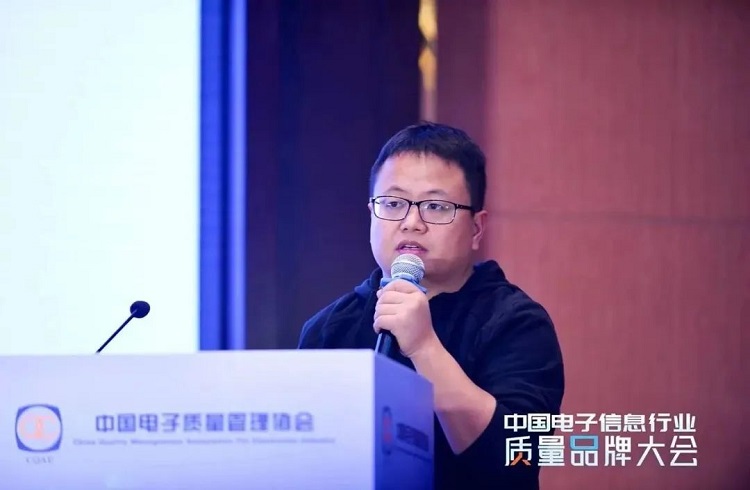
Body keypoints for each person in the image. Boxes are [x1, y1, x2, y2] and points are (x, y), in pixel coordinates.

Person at [297, 122, 565, 489]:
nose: (411, 223)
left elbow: (514, 459)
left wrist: (424, 347)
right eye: (393, 203)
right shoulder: (329, 327)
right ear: (372, 213)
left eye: (436, 207)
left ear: (476, 228)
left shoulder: (518, 323)